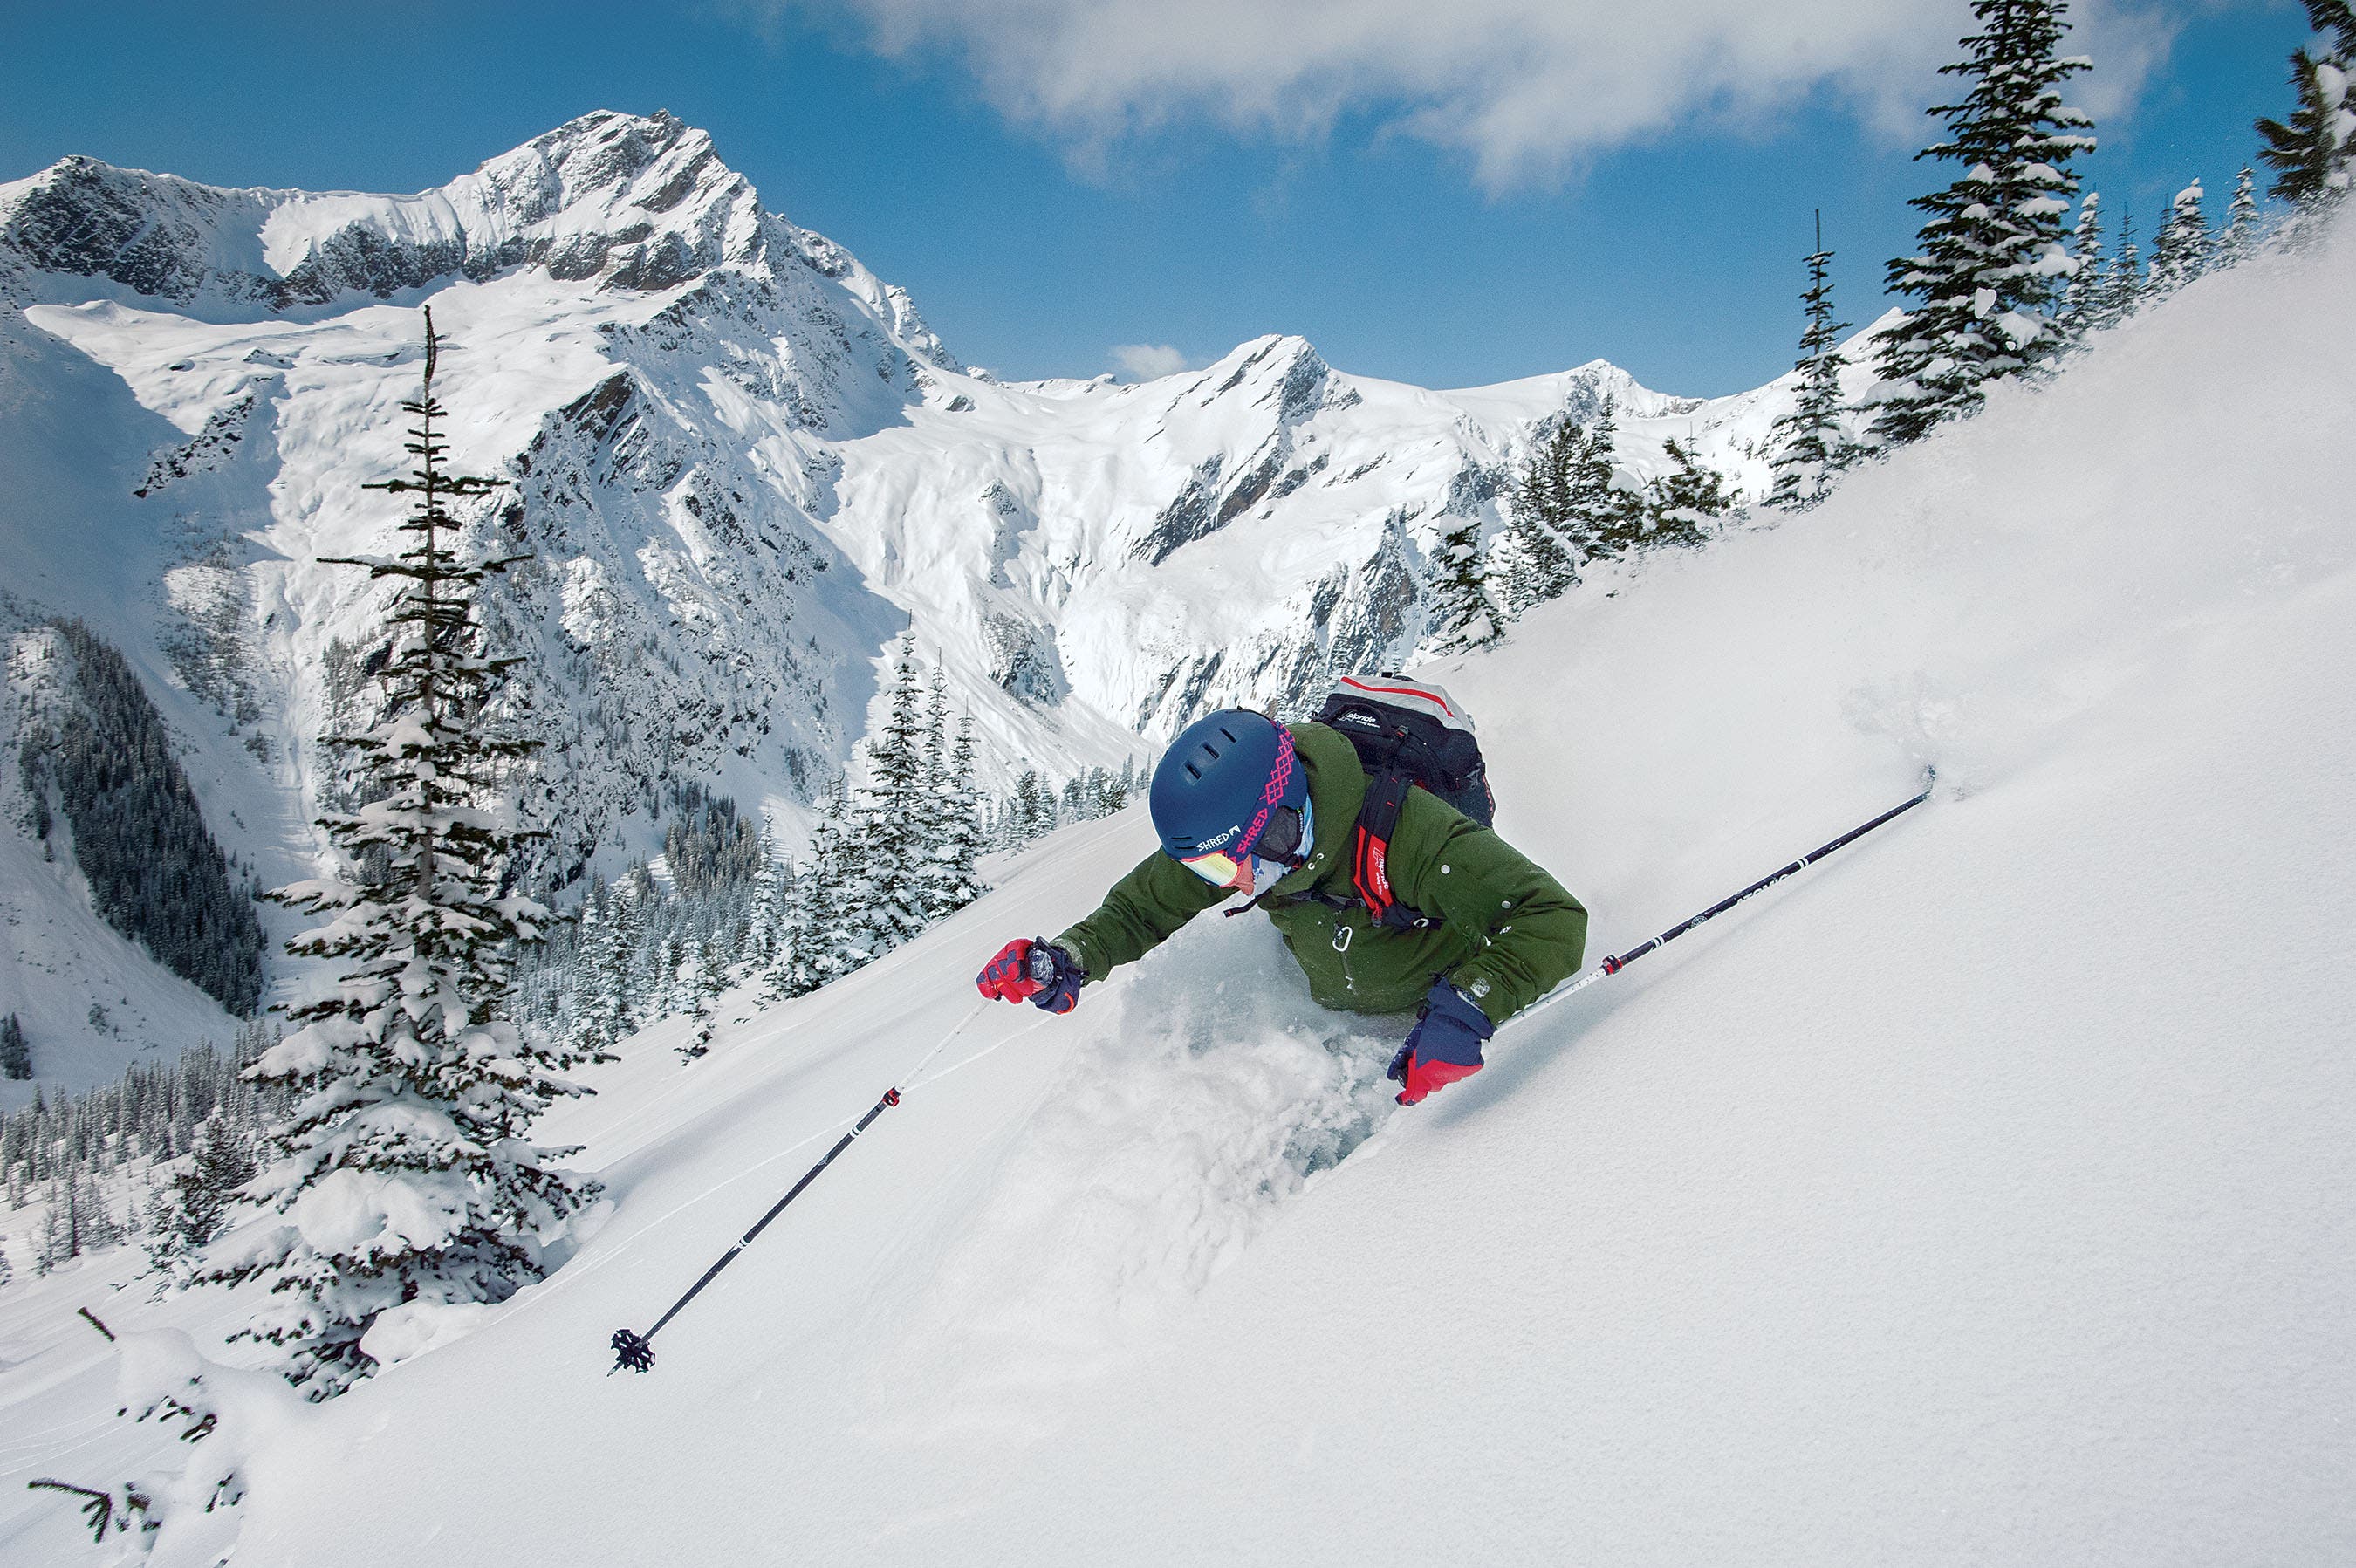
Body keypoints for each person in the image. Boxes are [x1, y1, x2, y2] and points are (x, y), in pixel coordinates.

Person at [976, 708, 1588, 1105]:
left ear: (1283, 823)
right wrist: (1068, 958)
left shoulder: (1409, 834)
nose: (1231, 884)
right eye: (1210, 872)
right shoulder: (1239, 843)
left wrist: (1468, 1008)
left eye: (1226, 866)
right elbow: (1142, 908)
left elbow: (1551, 917)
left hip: (1448, 1034)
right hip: (1349, 1024)